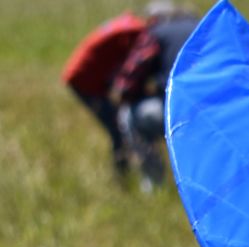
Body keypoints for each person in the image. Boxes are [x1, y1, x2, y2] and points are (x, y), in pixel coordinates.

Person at [109, 5, 199, 189]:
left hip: (178, 110)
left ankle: (154, 182)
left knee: (128, 116)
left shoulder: (156, 33)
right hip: (217, 108)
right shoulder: (202, 27)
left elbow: (127, 81)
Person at [60, 10, 147, 181]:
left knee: (118, 125)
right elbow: (133, 67)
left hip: (84, 76)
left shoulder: (127, 25)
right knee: (117, 128)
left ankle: (123, 172)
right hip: (85, 81)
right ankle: (121, 175)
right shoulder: (136, 33)